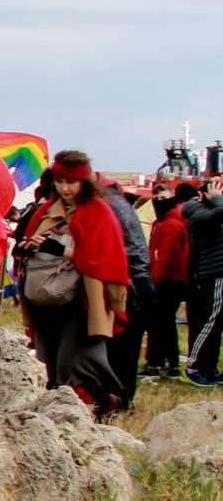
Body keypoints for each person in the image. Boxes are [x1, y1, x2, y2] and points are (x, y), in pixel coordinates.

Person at [17, 151, 132, 414]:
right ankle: (61, 413)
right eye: (60, 181)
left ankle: (104, 403)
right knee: (49, 360)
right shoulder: (44, 211)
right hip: (46, 298)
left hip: (83, 300)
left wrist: (62, 251)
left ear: (84, 182)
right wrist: (30, 248)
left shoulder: (99, 212)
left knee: (77, 361)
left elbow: (105, 260)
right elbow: (29, 243)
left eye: (71, 182)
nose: (65, 188)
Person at [100, 174, 152, 405]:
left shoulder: (108, 206)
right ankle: (122, 396)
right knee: (125, 349)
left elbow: (128, 252)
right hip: (134, 281)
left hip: (125, 283)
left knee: (120, 347)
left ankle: (119, 397)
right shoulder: (119, 204)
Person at [145, 182, 196, 377]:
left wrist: (154, 281)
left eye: (163, 198)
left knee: (161, 323)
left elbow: (164, 257)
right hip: (170, 278)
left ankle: (162, 362)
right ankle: (168, 363)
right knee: (165, 323)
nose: (159, 202)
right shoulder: (167, 221)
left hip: (168, 280)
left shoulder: (170, 223)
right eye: (157, 198)